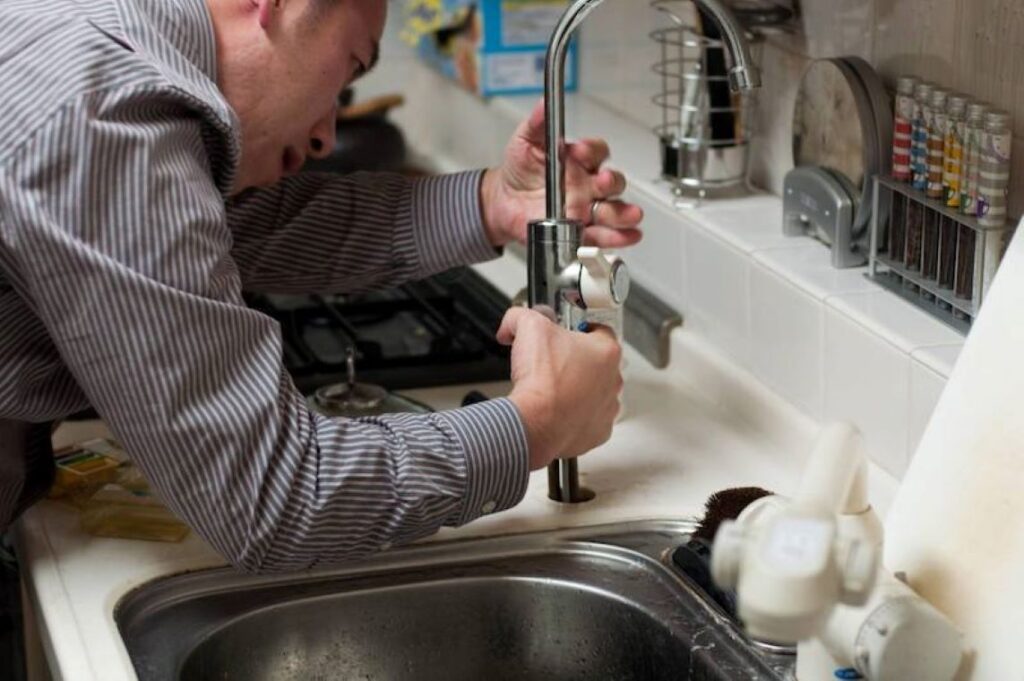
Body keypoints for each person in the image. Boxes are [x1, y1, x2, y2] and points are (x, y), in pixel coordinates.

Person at [0, 0, 644, 572]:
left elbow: (252, 225)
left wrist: (493, 202)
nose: (324, 135)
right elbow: (273, 498)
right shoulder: (107, 115)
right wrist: (537, 422)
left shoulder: (106, 43)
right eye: (349, 68)